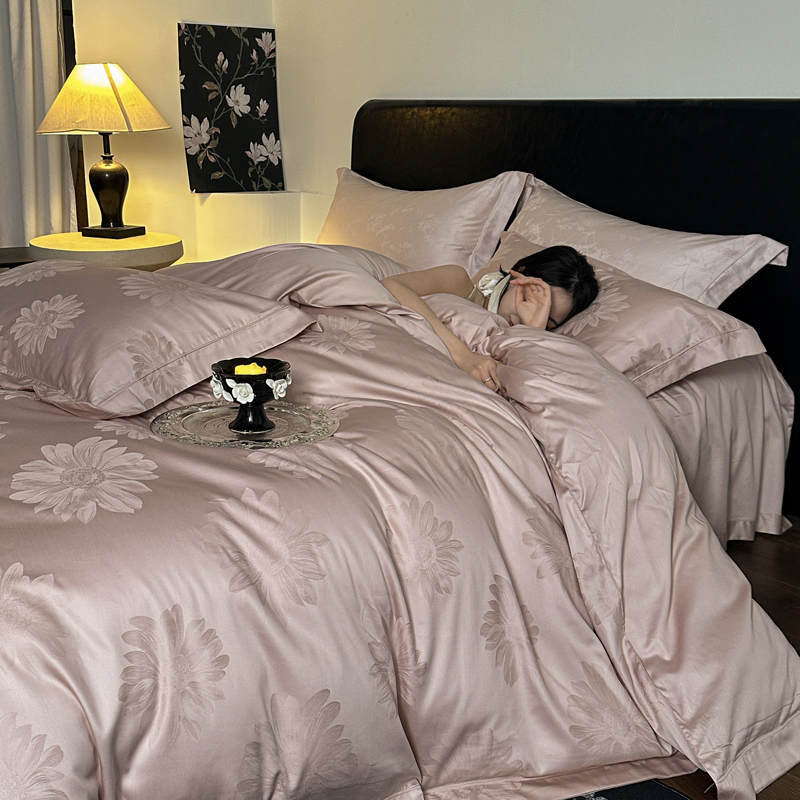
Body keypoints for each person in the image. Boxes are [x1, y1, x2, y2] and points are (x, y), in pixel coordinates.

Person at [381, 245, 599, 394]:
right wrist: (463, 356)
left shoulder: (528, 346)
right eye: (529, 298)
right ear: (519, 272)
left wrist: (532, 332)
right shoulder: (459, 283)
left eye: (547, 319)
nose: (527, 314)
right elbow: (392, 286)